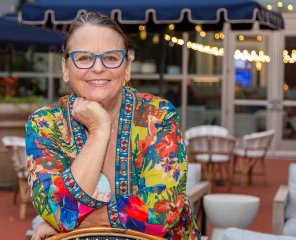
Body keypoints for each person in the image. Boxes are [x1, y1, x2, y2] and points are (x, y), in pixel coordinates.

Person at [25, 12, 200, 240]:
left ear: (127, 68)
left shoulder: (157, 116)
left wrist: (76, 224)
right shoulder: (45, 124)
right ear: (66, 69)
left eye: (111, 57)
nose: (98, 68)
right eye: (84, 58)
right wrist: (99, 132)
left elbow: (161, 213)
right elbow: (55, 210)